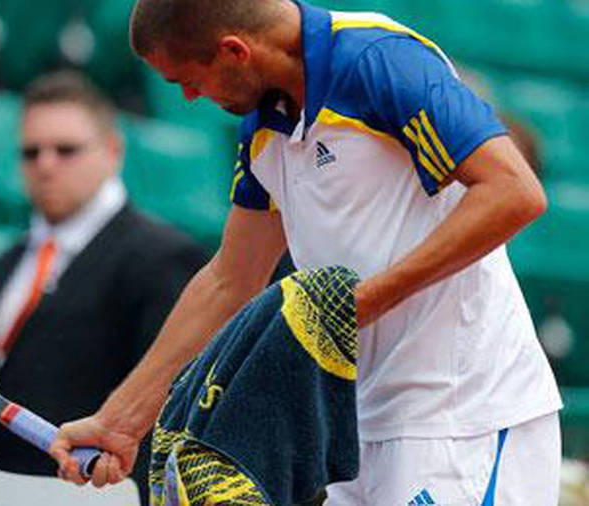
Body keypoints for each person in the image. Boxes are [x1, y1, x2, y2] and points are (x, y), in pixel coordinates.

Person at [50, 2, 562, 505]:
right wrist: (121, 420)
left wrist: (354, 307)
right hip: (352, 428)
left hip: (463, 417)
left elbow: (514, 192)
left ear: (234, 51)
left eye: (188, 79)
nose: (187, 97)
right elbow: (231, 278)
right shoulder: (262, 122)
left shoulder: (379, 58)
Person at [0, 70, 207, 502]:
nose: (46, 164)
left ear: (113, 151)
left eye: (66, 150)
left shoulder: (163, 259)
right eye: (30, 152)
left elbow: (169, 413)